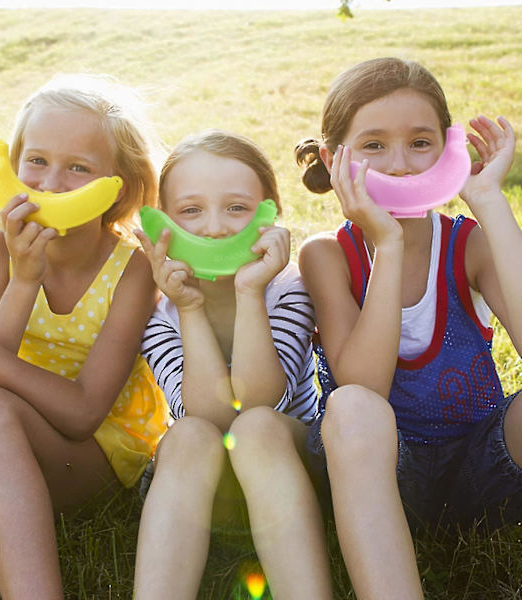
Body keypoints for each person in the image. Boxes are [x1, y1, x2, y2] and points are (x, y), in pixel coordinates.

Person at [0, 73, 169, 600]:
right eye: (36, 160)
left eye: (78, 167)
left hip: (92, 458)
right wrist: (23, 280)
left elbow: (83, 414)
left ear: (119, 186)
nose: (51, 184)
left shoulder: (134, 270)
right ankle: (3, 498)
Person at [296, 56, 520, 599]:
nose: (400, 166)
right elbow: (364, 385)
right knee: (351, 405)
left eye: (420, 143)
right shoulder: (327, 256)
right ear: (333, 159)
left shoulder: (468, 245)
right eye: (373, 145)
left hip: (479, 467)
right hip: (378, 478)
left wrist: (488, 200)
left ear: (448, 150)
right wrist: (388, 246)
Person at [133, 129, 333, 599]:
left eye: (237, 208)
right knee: (188, 434)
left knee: (256, 428)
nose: (215, 227)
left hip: (289, 476)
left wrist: (249, 293)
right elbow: (212, 416)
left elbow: (258, 403)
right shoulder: (158, 313)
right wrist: (189, 307)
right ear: (164, 223)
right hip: (199, 491)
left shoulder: (288, 290)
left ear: (269, 217)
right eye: (191, 210)